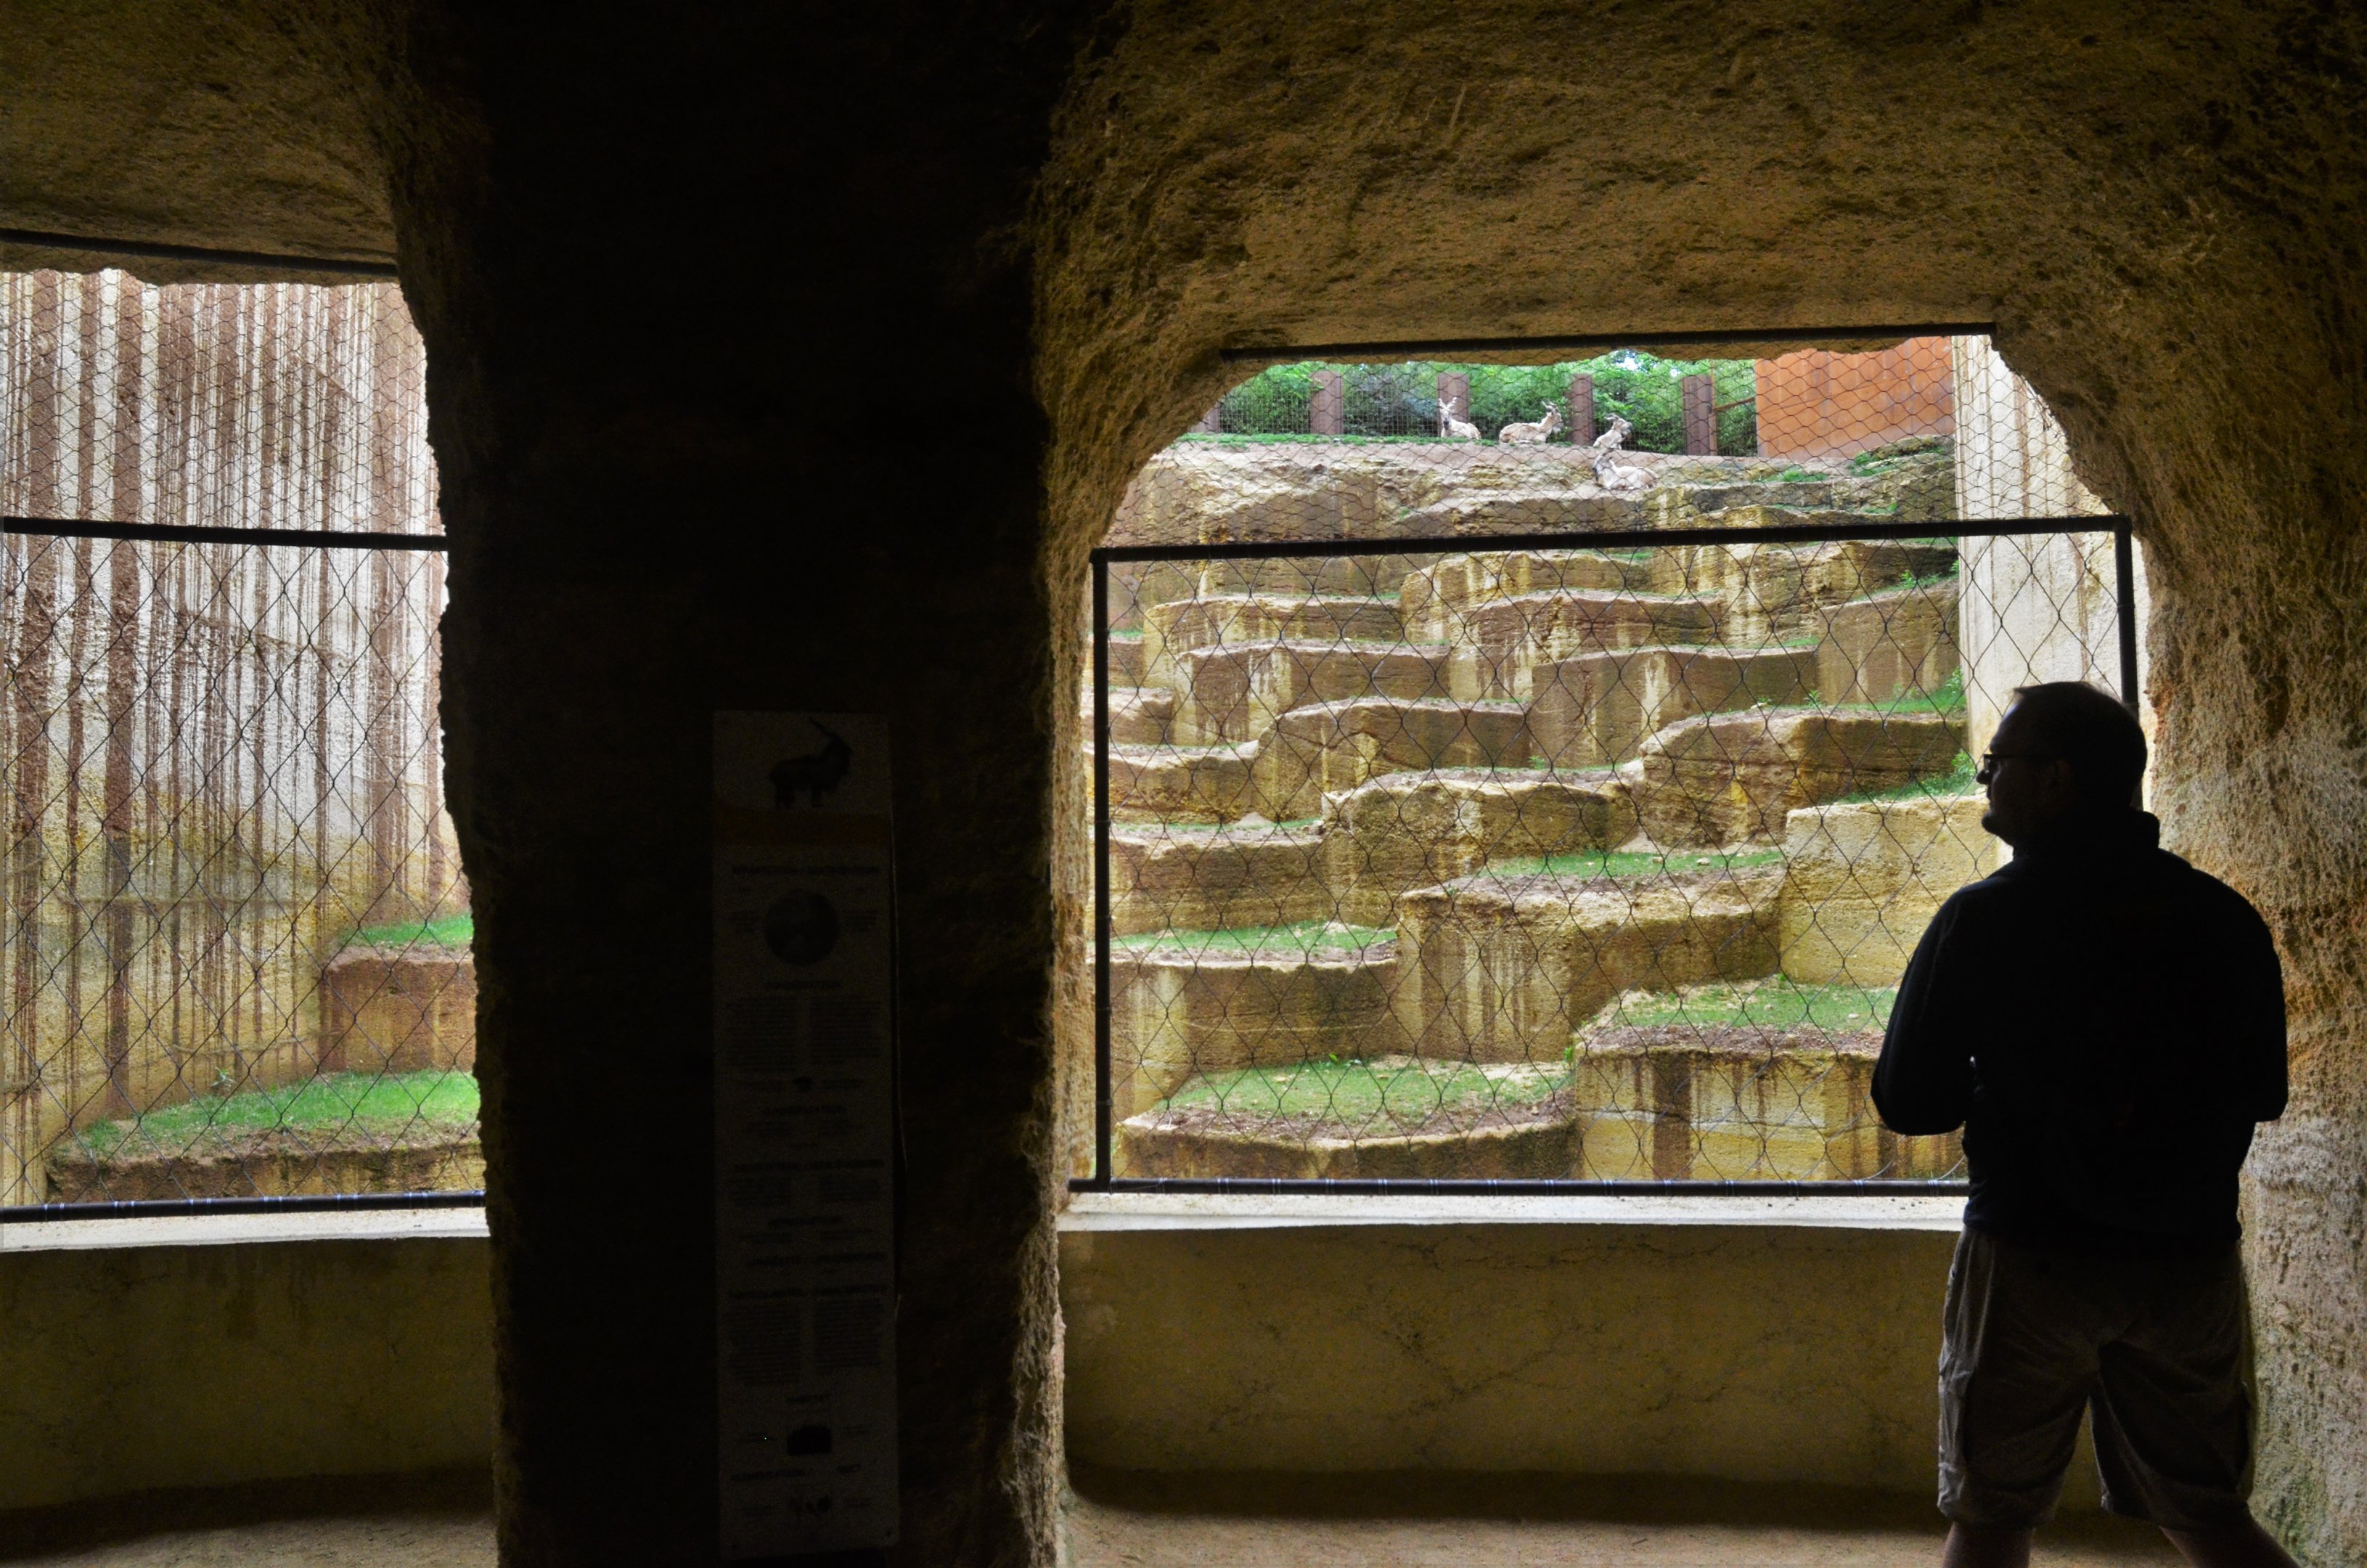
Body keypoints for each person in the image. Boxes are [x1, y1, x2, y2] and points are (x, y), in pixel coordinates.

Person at [1873, 682, 2296, 1568]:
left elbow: (1912, 1102)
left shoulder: (1983, 921)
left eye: (2000, 765)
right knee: (2210, 1517)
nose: (1986, 781)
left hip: (2031, 1256)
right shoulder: (2223, 918)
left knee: (1991, 1518)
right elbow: (2262, 1092)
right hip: (2187, 1257)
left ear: (2057, 780)